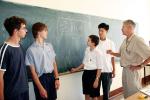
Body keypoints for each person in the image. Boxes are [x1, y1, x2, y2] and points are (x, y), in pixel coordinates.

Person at [107, 19, 150, 98]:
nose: (121, 29)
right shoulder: (125, 40)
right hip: (125, 70)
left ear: (130, 28)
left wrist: (140, 66)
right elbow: (120, 54)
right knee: (127, 93)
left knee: (134, 94)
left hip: (133, 71)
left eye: (123, 27)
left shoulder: (138, 40)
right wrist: (111, 53)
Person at [25, 22, 60, 100]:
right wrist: (40, 88)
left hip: (51, 77)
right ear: (39, 32)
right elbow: (33, 72)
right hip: (41, 79)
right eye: (45, 30)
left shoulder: (49, 46)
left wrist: (57, 78)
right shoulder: (30, 50)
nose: (47, 32)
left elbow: (54, 63)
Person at [0, 16, 29, 100]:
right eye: (23, 28)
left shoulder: (20, 46)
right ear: (16, 31)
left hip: (24, 91)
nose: (26, 30)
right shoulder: (5, 49)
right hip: (12, 94)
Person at [71, 35, 103, 100]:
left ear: (93, 43)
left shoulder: (98, 52)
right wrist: (75, 69)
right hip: (86, 73)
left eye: (88, 40)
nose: (87, 41)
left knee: (94, 95)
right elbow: (84, 63)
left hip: (94, 74)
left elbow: (100, 67)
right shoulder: (87, 49)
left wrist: (97, 79)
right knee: (86, 93)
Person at [96, 23, 116, 100]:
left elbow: (112, 58)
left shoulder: (111, 43)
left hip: (107, 71)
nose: (100, 32)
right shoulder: (96, 42)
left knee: (106, 93)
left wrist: (114, 70)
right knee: (95, 92)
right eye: (99, 30)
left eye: (102, 31)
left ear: (106, 31)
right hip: (97, 71)